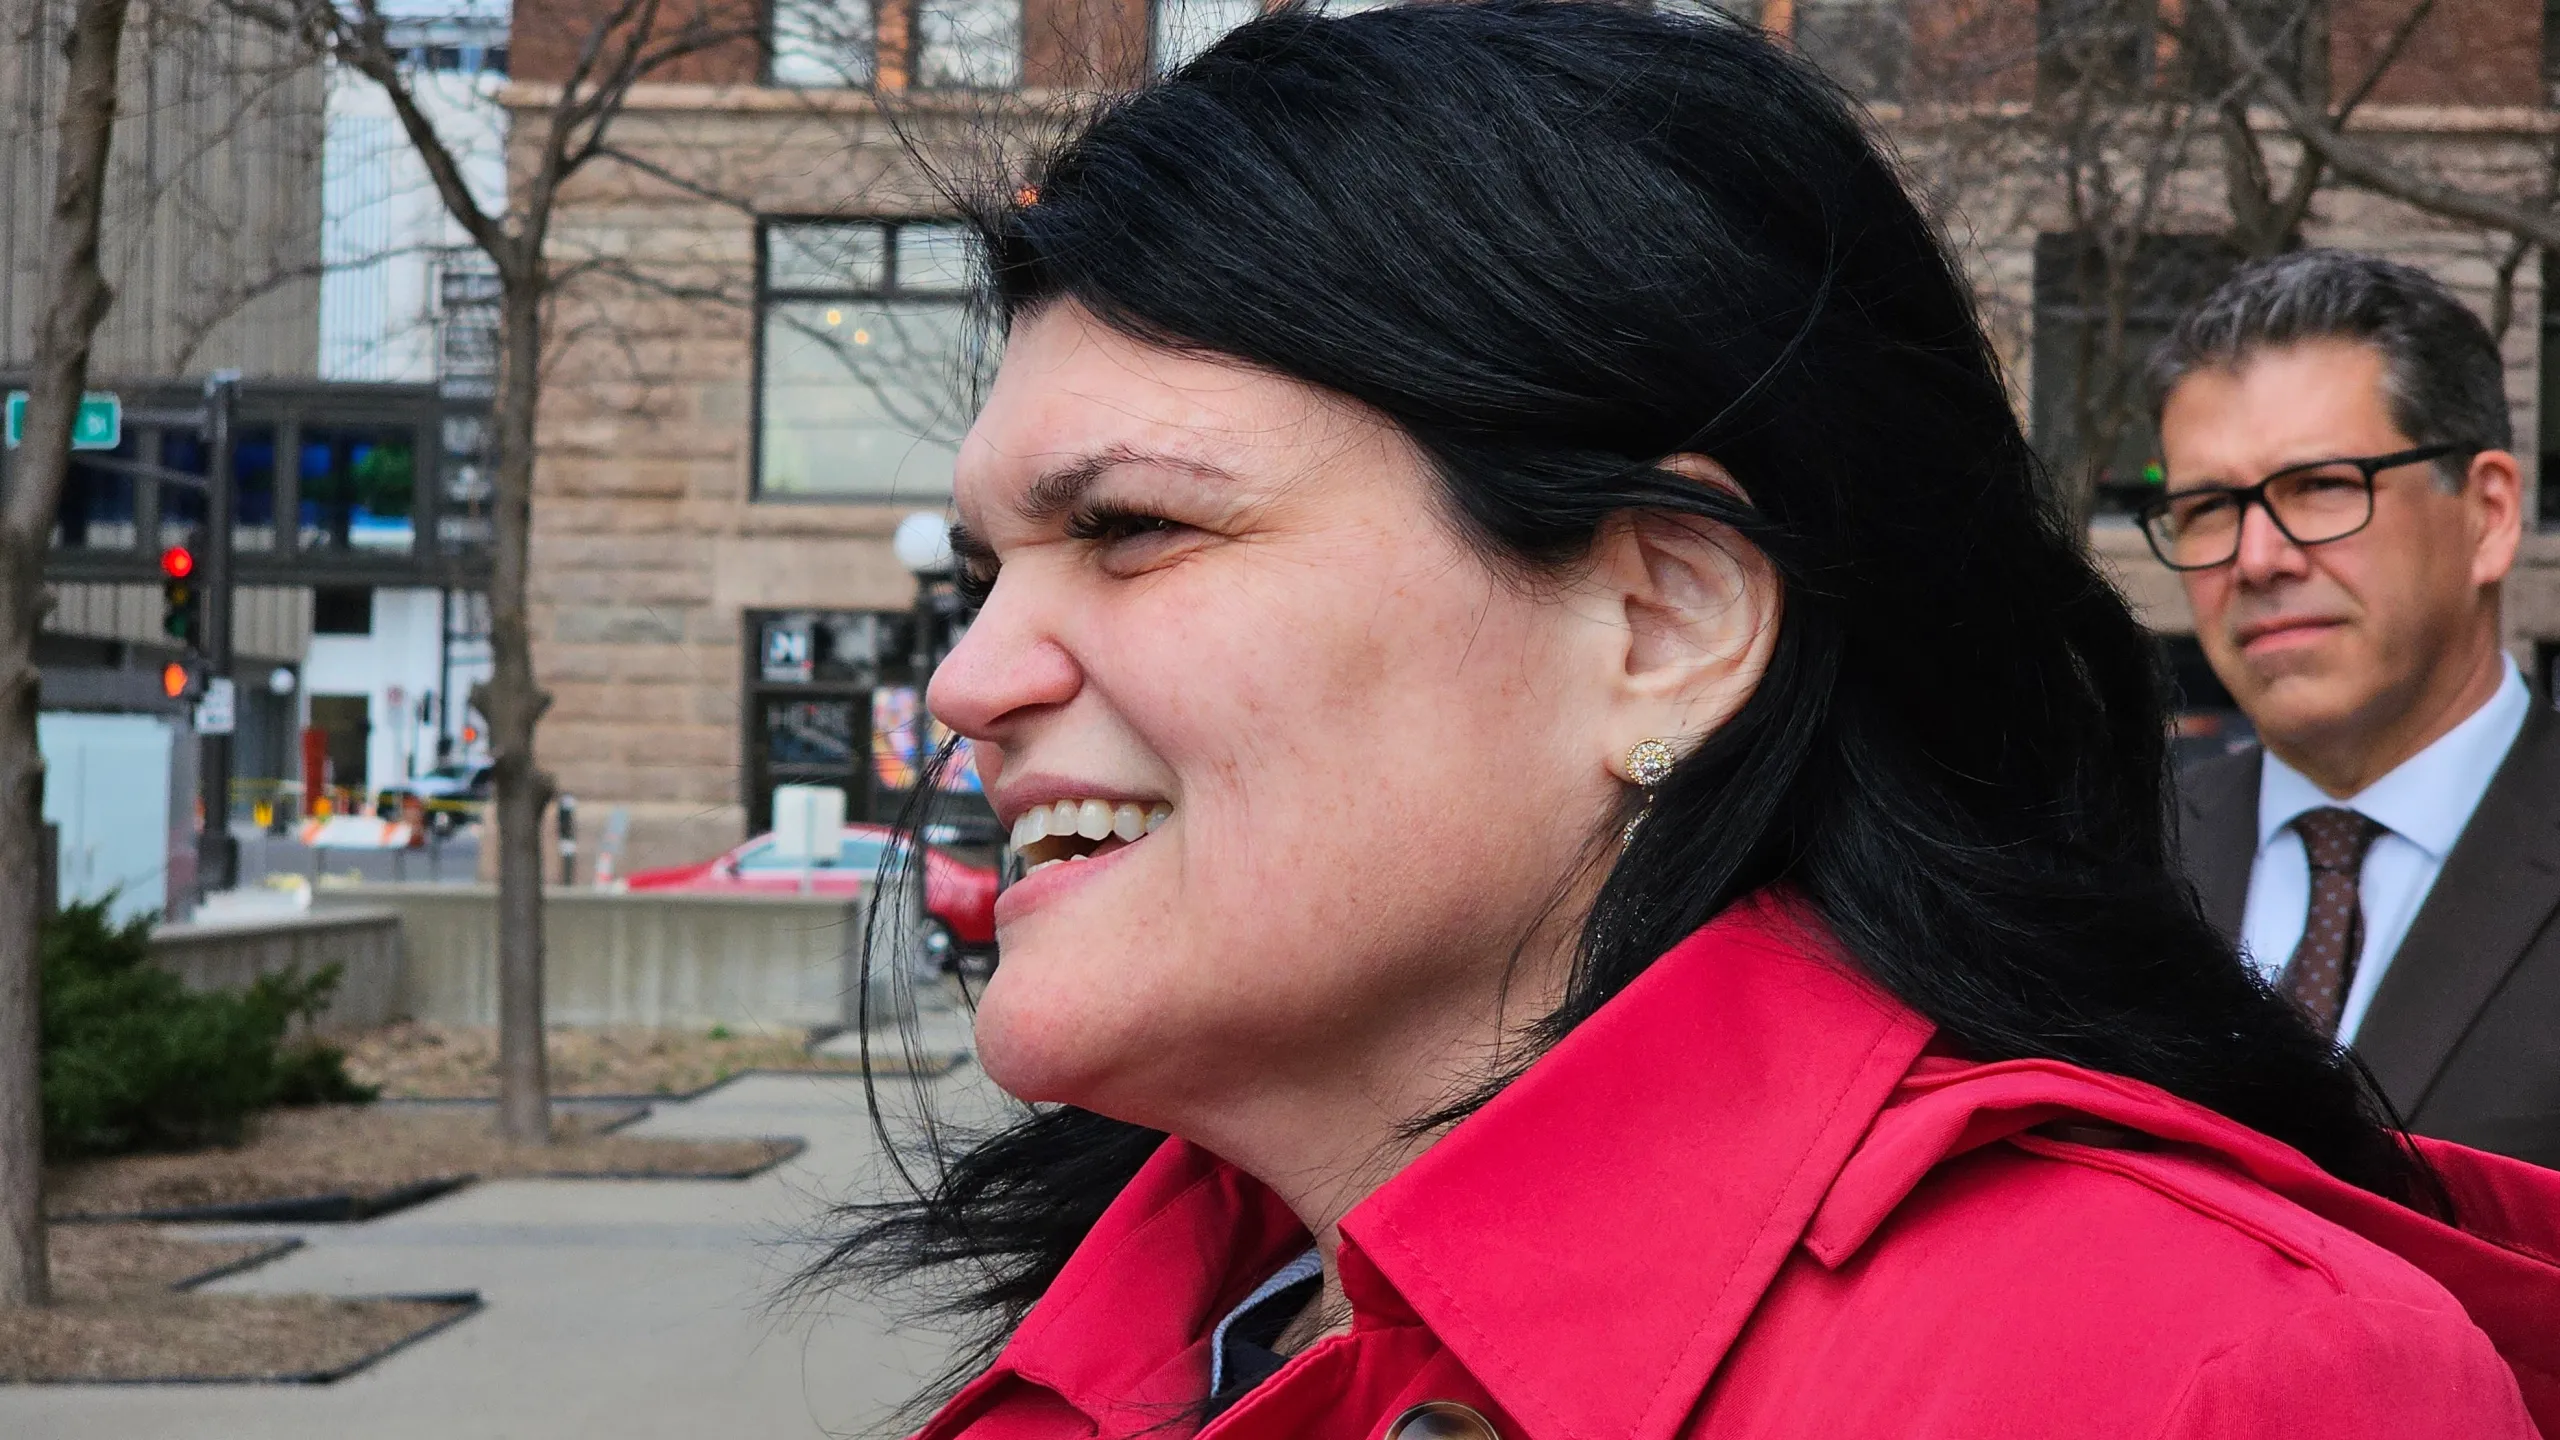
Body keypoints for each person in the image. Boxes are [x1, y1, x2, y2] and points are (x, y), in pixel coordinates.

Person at [822, 7, 2560, 1438]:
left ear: (1663, 623)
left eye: (1132, 528)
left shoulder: (2189, 1378)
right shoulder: (1116, 1347)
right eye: (986, 566)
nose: (974, 678)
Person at [2142, 251, 2560, 1168]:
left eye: (2322, 488)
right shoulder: (2111, 863)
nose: (2257, 559)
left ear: (2487, 516)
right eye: (2209, 507)